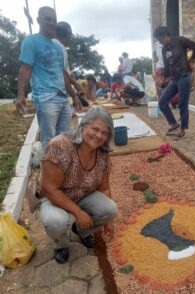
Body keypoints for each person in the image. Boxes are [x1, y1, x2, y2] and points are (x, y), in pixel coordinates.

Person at [39, 108, 118, 263]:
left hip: (82, 195)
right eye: (95, 129)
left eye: (104, 133)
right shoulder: (60, 146)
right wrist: (78, 213)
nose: (99, 136)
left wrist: (108, 221)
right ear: (83, 125)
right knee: (56, 222)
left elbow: (104, 188)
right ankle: (61, 244)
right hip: (54, 196)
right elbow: (49, 189)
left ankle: (82, 230)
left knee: (110, 210)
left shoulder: (102, 154)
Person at [16, 6, 81, 151]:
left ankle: (62, 171)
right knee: (49, 142)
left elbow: (63, 73)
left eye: (54, 20)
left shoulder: (57, 47)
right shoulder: (31, 41)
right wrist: (20, 95)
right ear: (39, 20)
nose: (52, 23)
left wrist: (74, 96)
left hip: (62, 99)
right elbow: (25, 69)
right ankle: (49, 173)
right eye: (48, 19)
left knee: (65, 139)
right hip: (46, 99)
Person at [153, 26, 195, 138]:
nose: (159, 42)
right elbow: (168, 67)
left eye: (160, 39)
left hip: (184, 75)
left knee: (182, 103)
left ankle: (183, 129)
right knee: (162, 102)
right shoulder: (164, 49)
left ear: (165, 35)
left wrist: (192, 60)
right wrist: (163, 80)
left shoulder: (180, 41)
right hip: (174, 79)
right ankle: (173, 123)